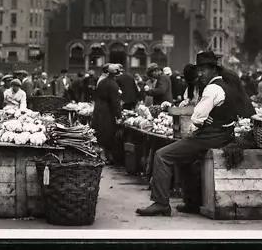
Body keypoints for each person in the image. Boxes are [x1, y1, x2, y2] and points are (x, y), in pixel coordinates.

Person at [136, 51, 237, 216]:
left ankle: (161, 203)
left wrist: (199, 123)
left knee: (162, 155)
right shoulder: (227, 84)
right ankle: (192, 202)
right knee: (186, 161)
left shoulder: (212, 88)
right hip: (224, 135)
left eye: (204, 70)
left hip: (209, 137)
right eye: (199, 70)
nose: (200, 74)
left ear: (213, 70)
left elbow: (197, 117)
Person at [91, 64, 123, 164]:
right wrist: (118, 116)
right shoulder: (113, 84)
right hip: (107, 112)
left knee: (100, 132)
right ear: (116, 74)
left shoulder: (102, 82)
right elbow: (115, 102)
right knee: (108, 134)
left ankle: (102, 155)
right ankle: (106, 156)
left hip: (98, 109)